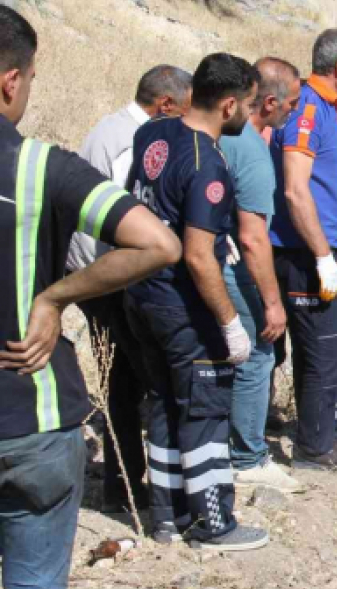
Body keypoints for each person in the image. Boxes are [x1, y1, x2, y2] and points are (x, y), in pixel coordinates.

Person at [0, 7, 181, 589]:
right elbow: (158, 244)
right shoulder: (45, 167)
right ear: (9, 79)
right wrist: (54, 297)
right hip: (37, 419)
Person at [125, 52, 270, 551]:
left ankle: (166, 518)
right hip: (181, 304)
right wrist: (230, 324)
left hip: (139, 293)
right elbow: (198, 256)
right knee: (205, 410)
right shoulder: (208, 161)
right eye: (248, 107)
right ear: (228, 104)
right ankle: (213, 524)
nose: (250, 117)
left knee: (165, 402)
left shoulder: (153, 133)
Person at [70, 64, 191, 513]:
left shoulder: (116, 127)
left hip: (100, 272)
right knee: (128, 381)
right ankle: (125, 485)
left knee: (124, 378)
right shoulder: (130, 142)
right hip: (106, 277)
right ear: (164, 104)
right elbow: (129, 215)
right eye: (181, 111)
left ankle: (128, 481)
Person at [269, 28, 337, 470]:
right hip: (302, 253)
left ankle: (325, 437)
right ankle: (314, 450)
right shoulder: (308, 109)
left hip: (315, 248)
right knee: (323, 352)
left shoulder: (326, 108)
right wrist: (323, 257)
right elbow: (295, 190)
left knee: (334, 349)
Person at [221, 57, 302, 493]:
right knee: (258, 355)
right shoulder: (250, 149)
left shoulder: (216, 134)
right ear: (268, 102)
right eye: (290, 105)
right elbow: (253, 238)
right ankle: (248, 457)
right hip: (235, 270)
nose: (292, 113)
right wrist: (273, 303)